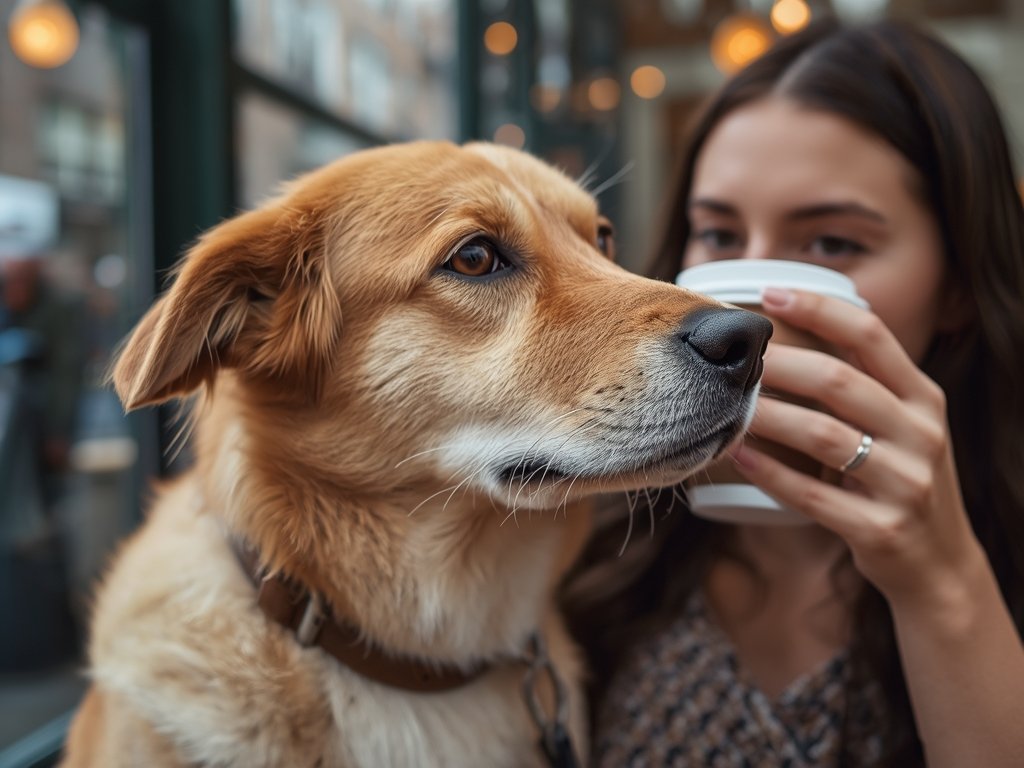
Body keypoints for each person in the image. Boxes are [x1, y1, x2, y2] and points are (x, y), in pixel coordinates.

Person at [563, 18, 1024, 767]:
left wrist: (941, 584)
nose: (752, 299)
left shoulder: (996, 551)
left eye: (832, 244)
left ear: (959, 287)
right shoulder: (593, 534)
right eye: (717, 234)